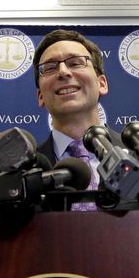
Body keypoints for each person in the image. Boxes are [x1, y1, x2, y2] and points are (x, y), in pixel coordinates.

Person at [33, 29, 113, 207]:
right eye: (50, 67)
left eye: (76, 63)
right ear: (40, 96)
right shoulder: (23, 172)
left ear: (101, 84)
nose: (63, 72)